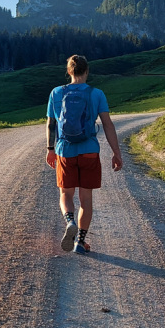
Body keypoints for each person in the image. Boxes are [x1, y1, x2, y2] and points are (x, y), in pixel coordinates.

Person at [45, 54, 123, 254]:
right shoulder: (97, 94)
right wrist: (116, 153)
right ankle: (80, 241)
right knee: (86, 198)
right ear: (87, 71)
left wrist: (50, 150)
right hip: (89, 151)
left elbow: (51, 124)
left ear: (69, 71)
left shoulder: (56, 93)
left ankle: (69, 221)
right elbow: (107, 124)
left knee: (66, 193)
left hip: (65, 150)